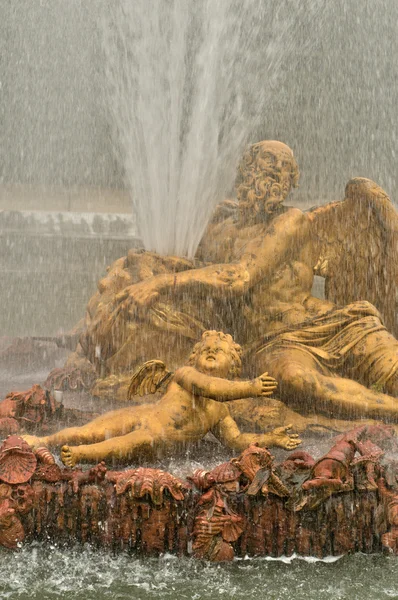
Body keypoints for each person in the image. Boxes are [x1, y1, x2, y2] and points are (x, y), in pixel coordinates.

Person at [69, 141, 398, 425]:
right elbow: (203, 270)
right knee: (298, 382)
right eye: (268, 164)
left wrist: (160, 284)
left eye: (285, 170)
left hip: (336, 327)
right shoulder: (219, 221)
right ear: (247, 170)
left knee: (393, 372)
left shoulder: (290, 222)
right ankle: (390, 412)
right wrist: (148, 266)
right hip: (271, 342)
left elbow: (241, 275)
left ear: (292, 182)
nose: (276, 174)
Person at [23, 331, 301, 465]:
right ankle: (45, 441)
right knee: (89, 431)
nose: (212, 350)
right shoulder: (186, 374)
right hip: (145, 418)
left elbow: (236, 441)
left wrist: (270, 439)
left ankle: (80, 456)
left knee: (135, 442)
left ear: (233, 366)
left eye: (220, 350)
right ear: (194, 356)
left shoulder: (220, 413)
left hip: (158, 436)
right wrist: (251, 387)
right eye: (207, 348)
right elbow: (211, 386)